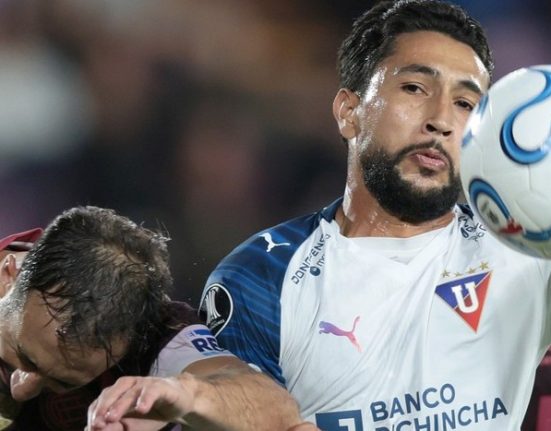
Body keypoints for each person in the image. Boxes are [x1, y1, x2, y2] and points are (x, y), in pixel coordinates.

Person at [196, 0, 551, 430]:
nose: (441, 120)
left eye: (464, 103)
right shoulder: (261, 279)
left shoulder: (525, 256)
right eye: (415, 88)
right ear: (349, 112)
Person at [0, 206, 305, 430]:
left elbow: (276, 411)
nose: (21, 389)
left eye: (64, 382)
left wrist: (187, 395)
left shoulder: (156, 333)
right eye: (25, 356)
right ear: (8, 277)